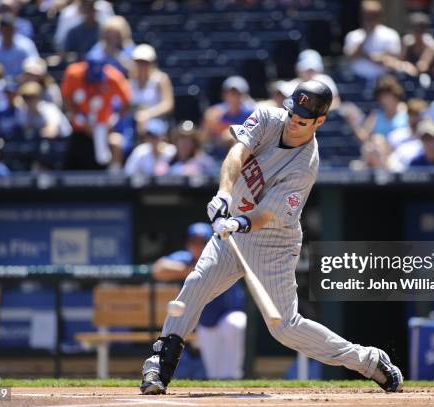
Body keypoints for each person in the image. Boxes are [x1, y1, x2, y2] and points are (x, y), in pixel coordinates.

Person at [139, 80, 403, 395]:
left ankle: (369, 360)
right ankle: (158, 365)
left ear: (320, 122)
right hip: (231, 231)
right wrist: (224, 193)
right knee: (196, 285)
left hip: (273, 242)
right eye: (293, 112)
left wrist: (236, 222)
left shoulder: (305, 165)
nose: (293, 121)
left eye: (303, 119)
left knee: (285, 328)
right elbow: (237, 153)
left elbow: (265, 217)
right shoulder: (267, 118)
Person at [152, 223, 246, 379]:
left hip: (226, 315)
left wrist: (205, 271)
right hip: (205, 322)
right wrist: (195, 271)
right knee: (214, 374)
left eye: (202, 242)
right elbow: (158, 269)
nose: (197, 246)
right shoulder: (186, 259)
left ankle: (234, 375)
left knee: (234, 324)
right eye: (193, 241)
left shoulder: (222, 257)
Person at [61, 54, 131, 170]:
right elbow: (67, 99)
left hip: (102, 130)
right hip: (79, 130)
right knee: (72, 168)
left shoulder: (113, 77)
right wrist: (80, 119)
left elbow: (127, 102)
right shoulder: (73, 73)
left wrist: (114, 120)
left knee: (103, 160)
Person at [129, 43, 174, 152]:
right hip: (132, 122)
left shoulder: (160, 79)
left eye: (145, 63)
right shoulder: (129, 82)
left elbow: (168, 104)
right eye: (138, 62)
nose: (141, 66)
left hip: (157, 121)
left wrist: (147, 114)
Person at [342, 0, 401, 81]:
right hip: (357, 80)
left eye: (373, 15)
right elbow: (349, 57)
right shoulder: (353, 35)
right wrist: (366, 37)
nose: (370, 19)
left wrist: (364, 55)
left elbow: (392, 60)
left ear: (380, 16)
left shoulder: (391, 34)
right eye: (367, 15)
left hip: (383, 80)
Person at [202, 76, 255, 158]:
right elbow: (205, 140)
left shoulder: (251, 112)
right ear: (224, 94)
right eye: (229, 92)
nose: (232, 96)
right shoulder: (214, 113)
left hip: (244, 153)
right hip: (218, 154)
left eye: (236, 93)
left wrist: (233, 135)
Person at [356, 75, 408, 142]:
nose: (384, 100)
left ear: (396, 94)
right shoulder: (375, 115)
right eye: (382, 97)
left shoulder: (408, 111)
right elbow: (363, 136)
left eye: (388, 96)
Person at [0, 13, 39, 78]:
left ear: (15, 29)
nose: (7, 32)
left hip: (23, 81)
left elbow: (36, 63)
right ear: (0, 30)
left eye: (10, 29)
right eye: (4, 30)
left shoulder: (26, 44)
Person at [401, 12, 434, 77]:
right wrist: (405, 65)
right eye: (415, 29)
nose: (418, 33)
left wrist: (408, 67)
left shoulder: (433, 45)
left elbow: (422, 66)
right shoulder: (407, 42)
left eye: (421, 29)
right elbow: (400, 61)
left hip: (430, 77)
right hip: (411, 76)